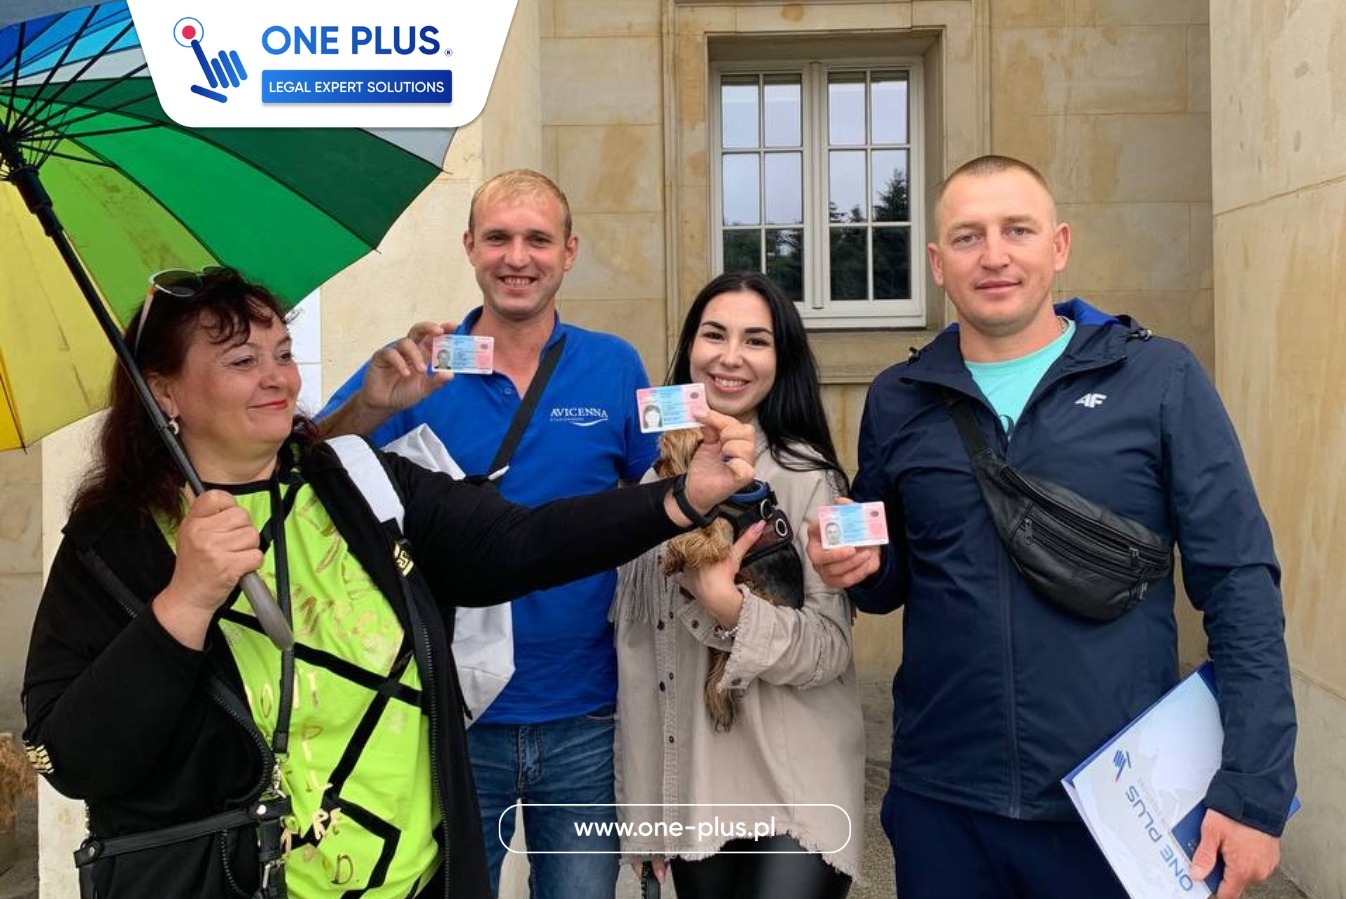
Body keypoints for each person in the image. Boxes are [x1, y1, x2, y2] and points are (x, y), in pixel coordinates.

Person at [21, 267, 756, 899]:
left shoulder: (352, 480)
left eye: (284, 353)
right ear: (164, 391)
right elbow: (72, 756)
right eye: (243, 360)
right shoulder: (114, 539)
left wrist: (679, 500)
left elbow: (521, 541)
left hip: (416, 878)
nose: (279, 378)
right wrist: (183, 604)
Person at [806, 155, 1296, 899]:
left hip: (1116, 803)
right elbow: (893, 578)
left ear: (1059, 245)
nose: (994, 255)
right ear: (937, 263)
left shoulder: (1159, 379)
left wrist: (1255, 788)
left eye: (1018, 230)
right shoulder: (899, 398)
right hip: (944, 802)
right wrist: (862, 571)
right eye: (967, 237)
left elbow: (1241, 582)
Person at [318, 169, 658, 897]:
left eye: (539, 239)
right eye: (498, 238)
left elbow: (665, 487)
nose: (518, 257)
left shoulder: (614, 366)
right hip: (452, 709)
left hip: (585, 712)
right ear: (469, 247)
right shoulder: (420, 365)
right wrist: (374, 407)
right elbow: (311, 465)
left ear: (569, 251)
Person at [613, 272, 864, 899]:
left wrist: (727, 605)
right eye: (714, 335)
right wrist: (646, 819)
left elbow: (829, 649)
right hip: (696, 793)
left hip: (796, 789)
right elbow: (642, 664)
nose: (730, 357)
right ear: (689, 348)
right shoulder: (652, 489)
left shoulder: (809, 480)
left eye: (756, 340)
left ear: (782, 360)